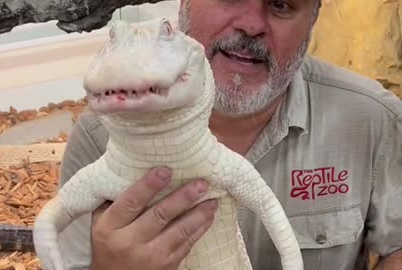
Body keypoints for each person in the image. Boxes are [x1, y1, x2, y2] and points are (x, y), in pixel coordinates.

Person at [55, 0, 402, 269]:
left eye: (281, 4)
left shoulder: (372, 119)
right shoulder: (97, 137)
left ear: (312, 20)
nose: (251, 25)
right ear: (185, 4)